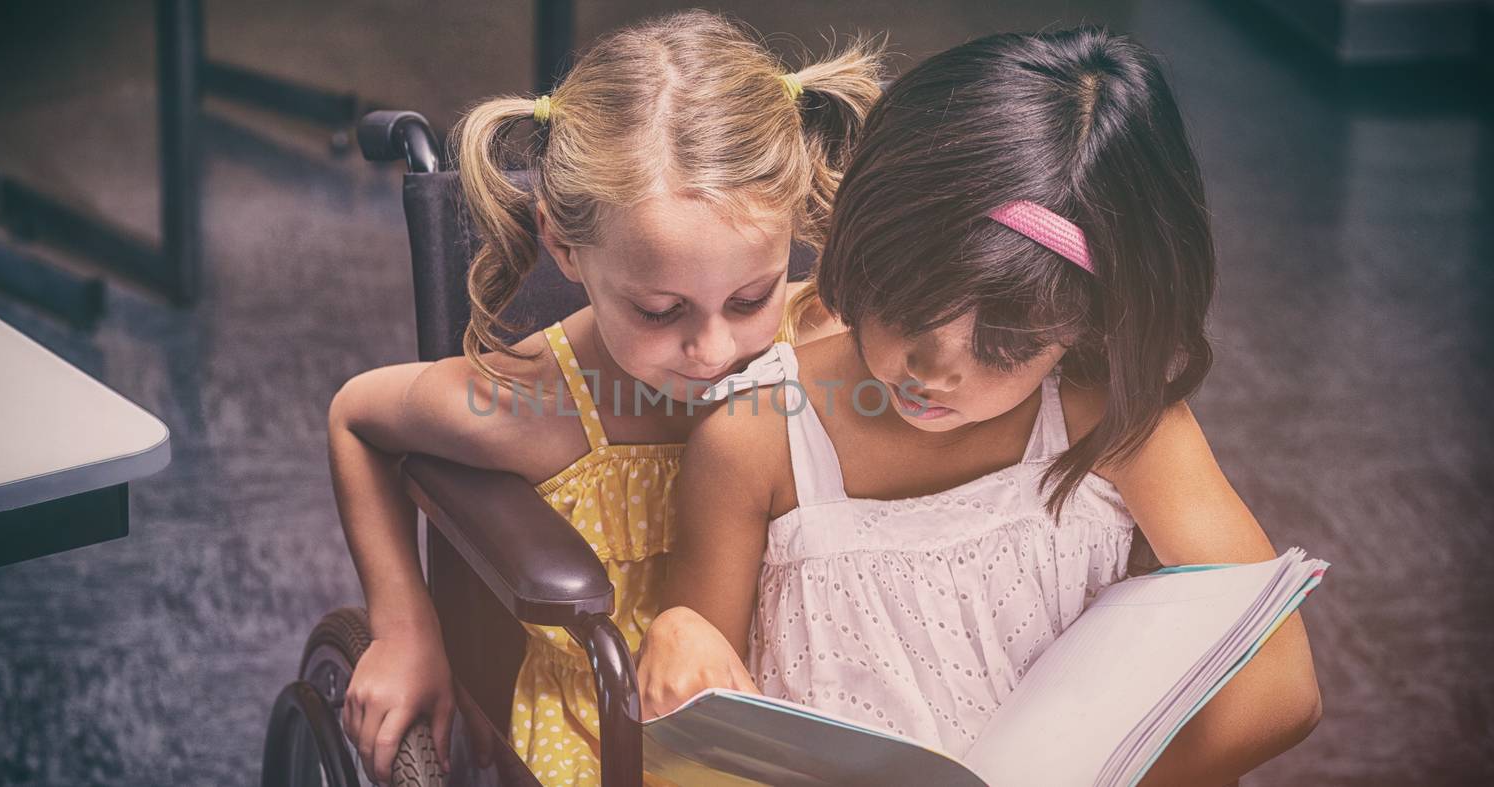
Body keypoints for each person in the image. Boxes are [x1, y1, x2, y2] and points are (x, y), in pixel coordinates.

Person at [639, 27, 1321, 785]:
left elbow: (1282, 687)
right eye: (908, 306)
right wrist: (675, 636)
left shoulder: (1113, 417)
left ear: (1086, 323)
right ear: (867, 245)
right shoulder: (757, 438)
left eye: (1004, 346)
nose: (934, 371)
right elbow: (697, 739)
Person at [328, 10, 882, 785]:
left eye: (752, 296)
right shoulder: (532, 403)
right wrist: (405, 625)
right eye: (662, 312)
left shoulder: (823, 333)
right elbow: (357, 416)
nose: (716, 350)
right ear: (563, 246)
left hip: (793, 703)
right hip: (606, 730)